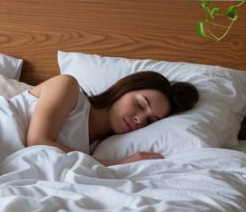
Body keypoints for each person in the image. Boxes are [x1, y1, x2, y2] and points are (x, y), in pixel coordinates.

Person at [22, 71, 199, 166]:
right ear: (125, 89)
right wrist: (118, 164)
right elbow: (38, 142)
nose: (139, 120)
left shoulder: (98, 148)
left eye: (150, 121)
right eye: (140, 104)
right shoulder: (68, 87)